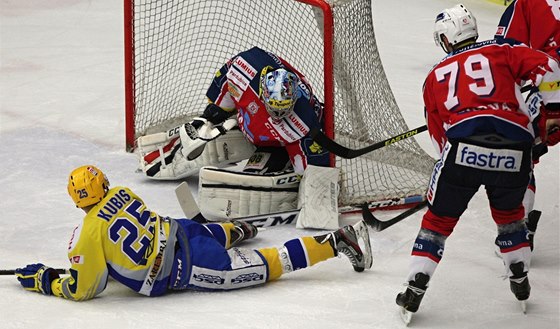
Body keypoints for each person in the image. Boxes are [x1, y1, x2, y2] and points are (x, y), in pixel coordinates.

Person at [395, 4, 560, 317]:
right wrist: (551, 112)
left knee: (438, 221)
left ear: (445, 39)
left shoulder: (433, 77)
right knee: (510, 216)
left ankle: (416, 286)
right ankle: (519, 277)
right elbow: (550, 67)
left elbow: (438, 137)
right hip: (515, 148)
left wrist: (458, 167)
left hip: (462, 147)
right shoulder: (503, 51)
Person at [14, 165, 372, 301]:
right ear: (103, 184)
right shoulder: (122, 193)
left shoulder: (87, 234)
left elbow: (85, 288)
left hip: (188, 266)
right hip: (182, 231)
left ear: (77, 201)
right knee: (203, 232)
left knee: (267, 264)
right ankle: (237, 229)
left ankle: (338, 242)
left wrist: (45, 281)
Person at [136, 46, 334, 222]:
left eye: (283, 110)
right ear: (263, 91)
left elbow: (313, 165)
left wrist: (307, 184)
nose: (278, 115)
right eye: (274, 109)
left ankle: (276, 166)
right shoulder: (245, 69)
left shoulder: (302, 122)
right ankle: (167, 152)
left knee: (258, 175)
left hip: (279, 144)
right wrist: (214, 114)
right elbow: (226, 81)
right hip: (250, 125)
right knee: (208, 123)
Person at [494, 0, 560, 250]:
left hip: (549, 93)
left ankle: (519, 229)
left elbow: (505, 52)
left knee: (520, 155)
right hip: (552, 92)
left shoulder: (524, 4)